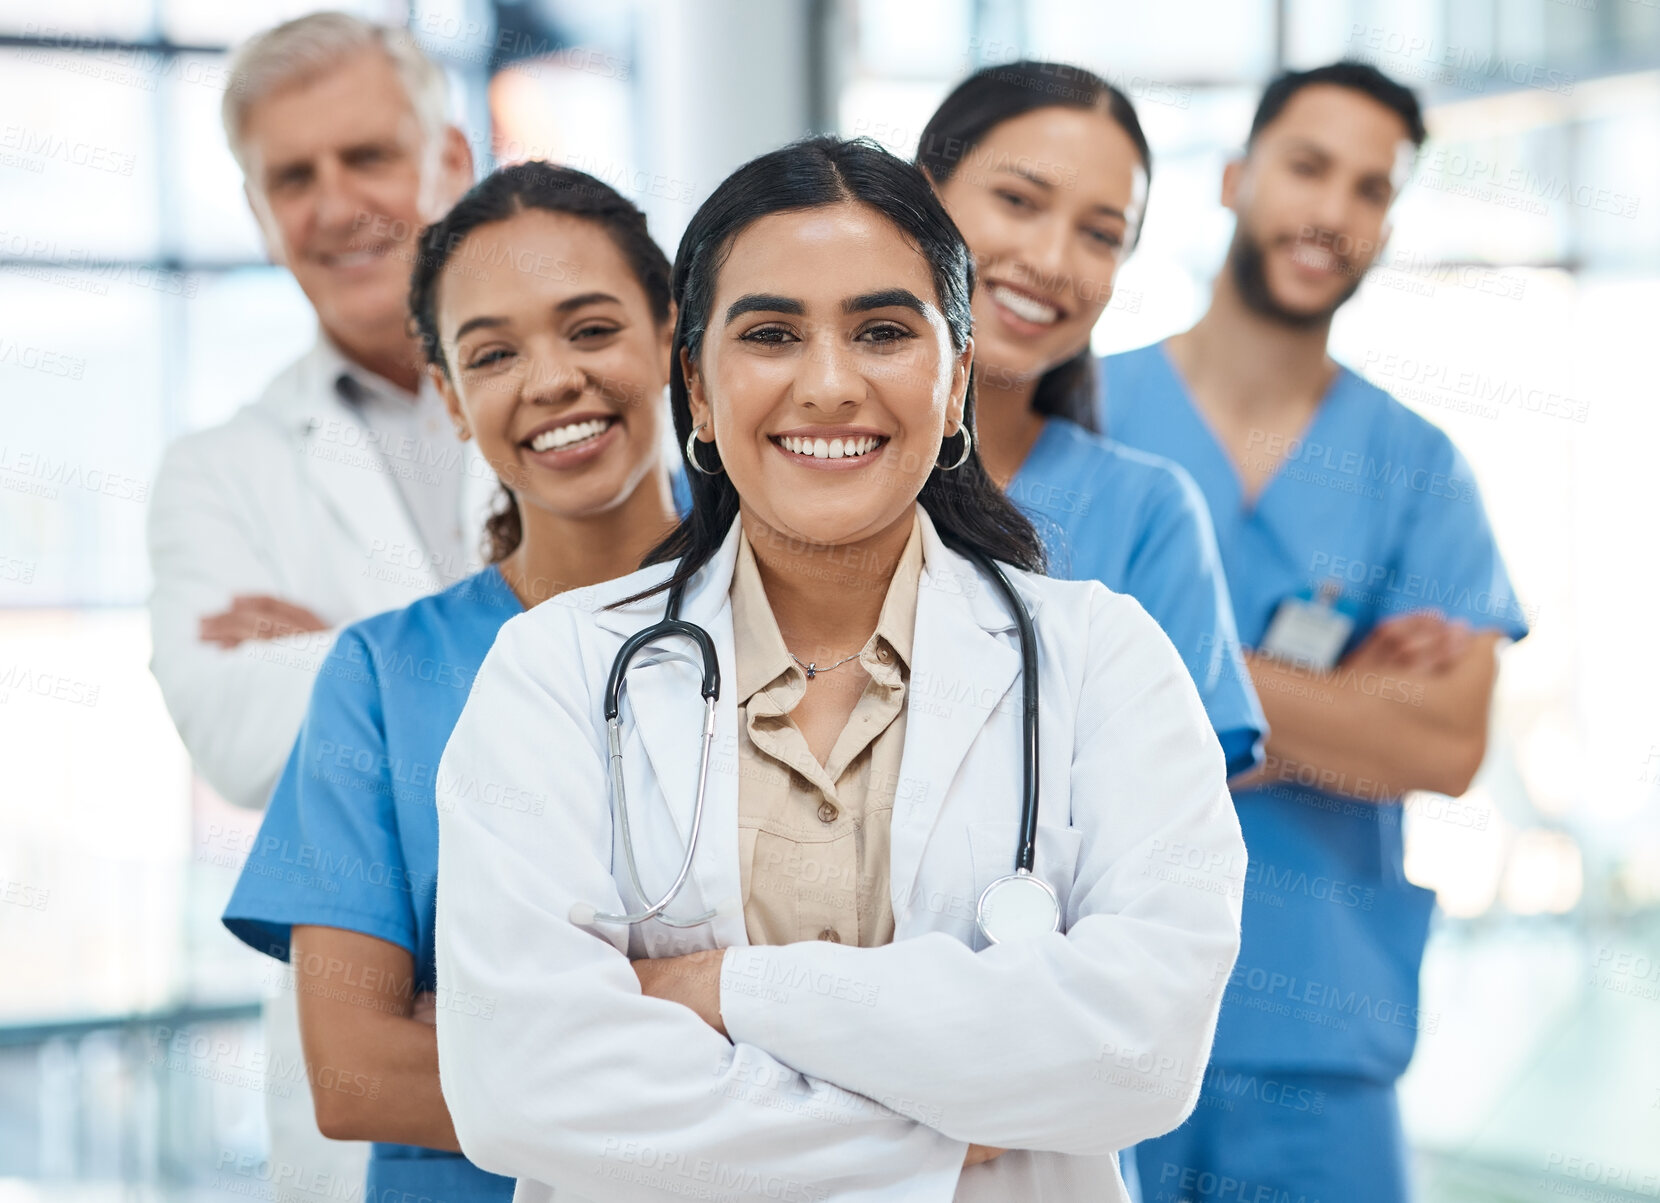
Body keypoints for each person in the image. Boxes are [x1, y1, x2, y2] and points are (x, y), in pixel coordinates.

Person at [432, 136, 1246, 1203]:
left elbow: (1140, 1052)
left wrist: (729, 989)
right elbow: (523, 1085)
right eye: (770, 333)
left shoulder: (1102, 662)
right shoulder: (558, 672)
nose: (827, 383)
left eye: (881, 332)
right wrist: (941, 1140)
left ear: (954, 378)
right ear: (700, 389)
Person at [1100, 63, 1529, 1202]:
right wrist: (1322, 707)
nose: (1333, 212)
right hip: (1087, 1016)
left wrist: (1160, 680)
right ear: (1237, 179)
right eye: (1306, 167)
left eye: (1370, 189)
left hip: (1319, 1045)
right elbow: (1022, 713)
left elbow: (1440, 747)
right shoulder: (1076, 419)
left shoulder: (1415, 467)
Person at [221, 160, 682, 1202]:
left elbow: (871, 997)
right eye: (494, 353)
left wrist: (495, 1033)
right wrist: (718, 1027)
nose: (552, 378)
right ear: (454, 399)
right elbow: (353, 1075)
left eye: (593, 328)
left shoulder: (789, 624)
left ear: (670, 336)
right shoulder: (383, 679)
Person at [145, 12, 479, 1194]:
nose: (336, 204)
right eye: (293, 176)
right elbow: (235, 737)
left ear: (452, 160)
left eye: (368, 156)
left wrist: (339, 664)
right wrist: (533, 643)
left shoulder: (606, 407)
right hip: (375, 1071)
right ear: (257, 212)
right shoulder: (218, 469)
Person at [918, 61, 1265, 778]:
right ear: (922, 194)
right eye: (1018, 200)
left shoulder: (1149, 515)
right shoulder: (790, 462)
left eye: (1101, 235)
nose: (1051, 260)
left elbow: (1170, 811)